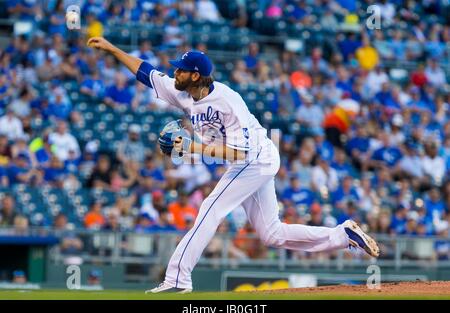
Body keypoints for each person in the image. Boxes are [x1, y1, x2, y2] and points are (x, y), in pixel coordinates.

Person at [86, 36, 380, 293]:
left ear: (196, 75)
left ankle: (178, 279)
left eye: (181, 69)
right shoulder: (185, 93)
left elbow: (239, 154)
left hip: (255, 158)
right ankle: (343, 234)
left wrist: (192, 147)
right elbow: (147, 73)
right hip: (254, 160)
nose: (175, 72)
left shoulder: (228, 101)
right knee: (272, 234)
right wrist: (112, 49)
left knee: (209, 211)